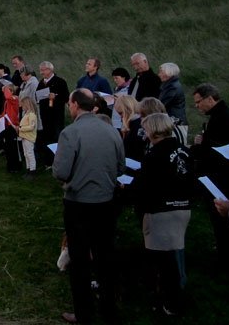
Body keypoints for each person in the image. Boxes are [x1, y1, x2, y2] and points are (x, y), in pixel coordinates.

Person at [53, 89, 125, 324]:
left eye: (69, 104)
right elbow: (121, 167)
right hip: (106, 203)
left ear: (75, 105)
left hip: (79, 204)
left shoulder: (70, 132)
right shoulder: (111, 130)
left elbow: (61, 171)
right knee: (105, 255)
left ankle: (84, 313)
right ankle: (109, 309)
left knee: (80, 258)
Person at [125, 113, 193, 316]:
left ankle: (171, 303)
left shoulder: (155, 155)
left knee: (164, 262)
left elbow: (144, 185)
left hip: (161, 211)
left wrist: (127, 189)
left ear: (154, 130)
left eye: (146, 129)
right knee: (171, 257)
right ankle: (170, 298)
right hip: (182, 208)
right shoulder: (184, 151)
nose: (144, 133)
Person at [191, 83, 229, 265]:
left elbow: (218, 149)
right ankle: (225, 253)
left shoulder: (223, 118)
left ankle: (227, 257)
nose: (196, 106)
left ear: (210, 99)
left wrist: (201, 144)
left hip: (222, 178)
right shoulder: (221, 115)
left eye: (199, 102)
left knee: (222, 217)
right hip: (222, 175)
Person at [37, 61, 69, 167]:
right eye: (40, 70)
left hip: (56, 116)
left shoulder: (60, 82)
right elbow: (37, 96)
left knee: (56, 138)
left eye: (43, 70)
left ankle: (58, 161)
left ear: (50, 70)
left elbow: (66, 97)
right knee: (46, 137)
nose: (41, 73)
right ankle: (48, 161)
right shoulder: (41, 83)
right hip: (44, 115)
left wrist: (56, 97)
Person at [158, 62, 188, 145]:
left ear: (168, 72)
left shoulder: (172, 87)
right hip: (174, 122)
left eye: (161, 72)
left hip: (175, 123)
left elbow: (161, 104)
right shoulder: (170, 85)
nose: (159, 74)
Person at [0, 84, 21, 172]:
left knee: (13, 147)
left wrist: (5, 88)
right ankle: (10, 165)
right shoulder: (7, 101)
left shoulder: (15, 99)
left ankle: (16, 166)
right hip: (6, 125)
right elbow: (5, 112)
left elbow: (8, 96)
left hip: (12, 126)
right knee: (8, 147)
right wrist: (0, 116)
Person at [115, 94, 143, 162]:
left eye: (121, 113)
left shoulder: (138, 124)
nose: (121, 117)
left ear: (128, 110)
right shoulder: (135, 122)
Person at [18, 96, 38, 178]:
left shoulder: (32, 115)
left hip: (29, 138)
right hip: (24, 137)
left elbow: (31, 127)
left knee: (30, 154)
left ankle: (32, 171)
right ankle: (28, 169)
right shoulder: (26, 114)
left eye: (23, 105)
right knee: (26, 154)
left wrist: (20, 128)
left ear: (27, 105)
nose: (22, 107)